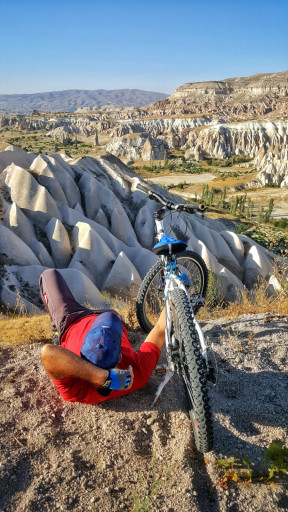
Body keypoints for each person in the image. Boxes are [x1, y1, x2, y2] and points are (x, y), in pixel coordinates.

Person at [40, 269, 166, 404]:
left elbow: (47, 352)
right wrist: (175, 297)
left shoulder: (76, 389)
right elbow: (160, 328)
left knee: (48, 274)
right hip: (109, 317)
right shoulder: (137, 372)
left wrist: (102, 377)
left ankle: (55, 324)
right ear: (120, 357)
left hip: (70, 320)